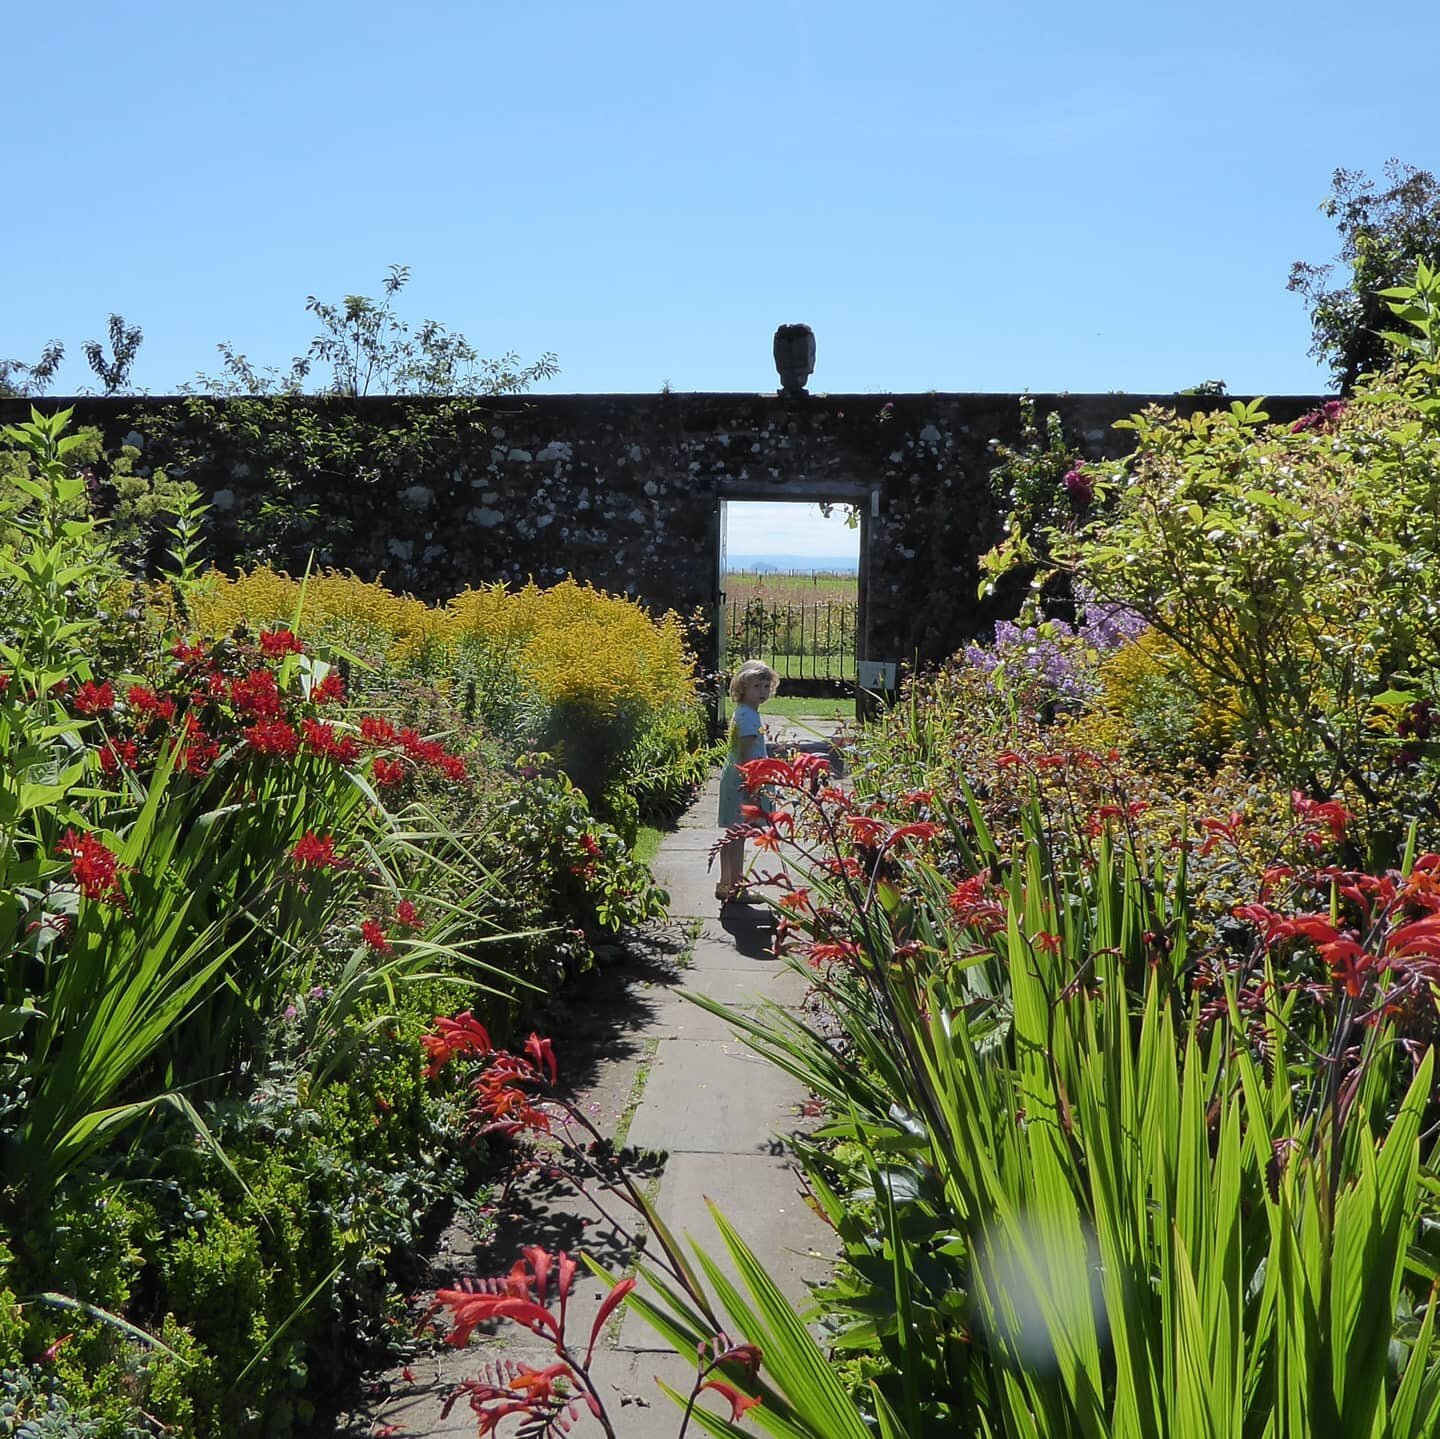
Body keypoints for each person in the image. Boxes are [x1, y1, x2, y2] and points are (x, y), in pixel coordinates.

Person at [715, 660, 778, 904]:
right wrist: (753, 786)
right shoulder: (749, 718)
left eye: (766, 686)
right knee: (738, 835)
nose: (762, 692)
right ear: (742, 687)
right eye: (756, 686)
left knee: (731, 834)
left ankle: (725, 883)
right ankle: (738, 887)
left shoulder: (743, 712)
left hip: (733, 778)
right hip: (744, 780)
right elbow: (748, 754)